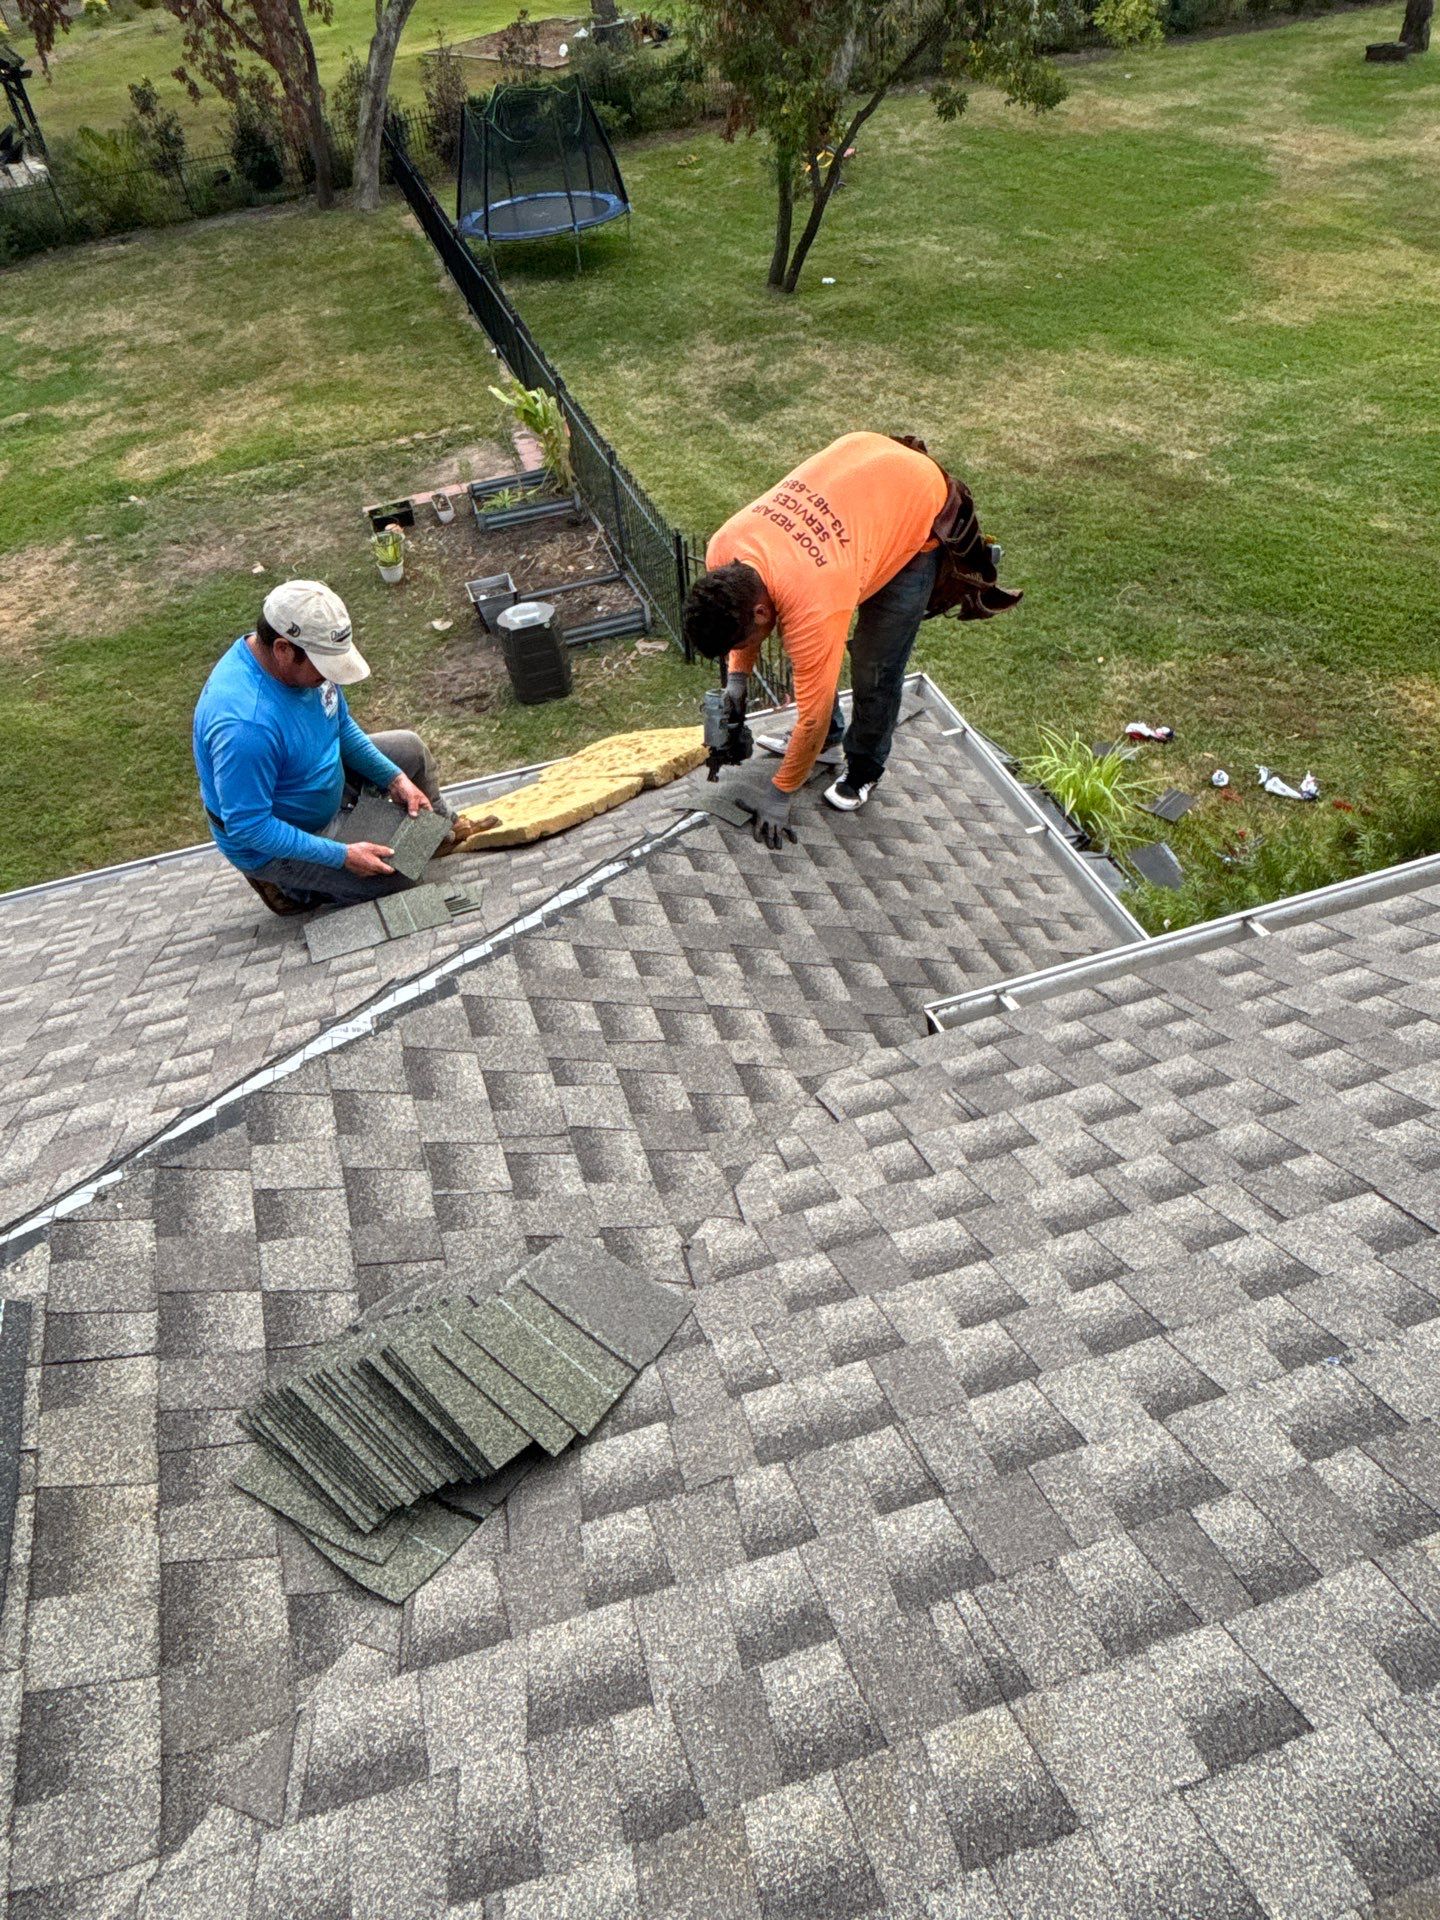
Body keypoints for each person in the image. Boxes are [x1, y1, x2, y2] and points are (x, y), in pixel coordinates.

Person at [681, 431, 1018, 847]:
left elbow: (812, 714)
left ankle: (864, 769)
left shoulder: (812, 599)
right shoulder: (724, 551)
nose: (747, 645)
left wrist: (780, 793)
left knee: (875, 668)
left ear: (761, 611)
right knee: (811, 654)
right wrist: (737, 681)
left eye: (748, 635)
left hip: (915, 512)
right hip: (864, 469)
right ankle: (826, 744)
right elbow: (749, 624)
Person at [193, 579, 482, 915]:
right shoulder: (245, 727)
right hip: (280, 837)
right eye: (323, 666)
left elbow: (339, 725)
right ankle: (291, 886)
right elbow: (250, 826)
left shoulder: (300, 656)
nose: (330, 675)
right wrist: (341, 856)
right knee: (398, 879)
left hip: (316, 779)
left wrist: (394, 779)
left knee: (408, 749)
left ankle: (439, 831)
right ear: (283, 650)